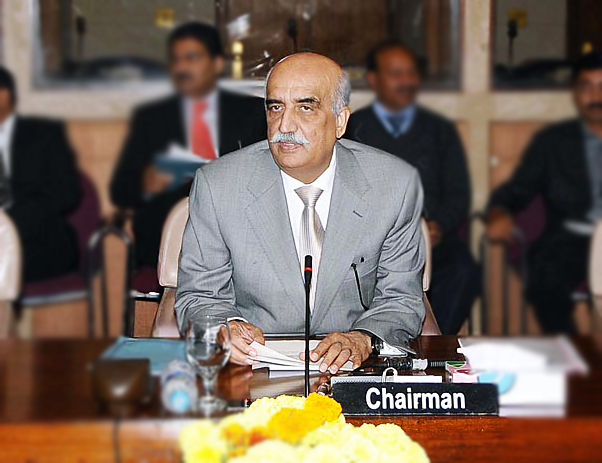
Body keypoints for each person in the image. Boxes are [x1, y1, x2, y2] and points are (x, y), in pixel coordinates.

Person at [176, 52, 426, 374]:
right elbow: (199, 295)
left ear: (340, 121)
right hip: (253, 369)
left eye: (305, 107)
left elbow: (400, 300)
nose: (284, 125)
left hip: (354, 373)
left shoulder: (393, 186)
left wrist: (363, 339)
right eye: (275, 107)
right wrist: (228, 328)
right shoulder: (218, 186)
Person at [344, 41, 477, 334]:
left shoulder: (440, 129)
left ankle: (431, 348)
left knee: (464, 270)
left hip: (432, 238)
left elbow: (459, 192)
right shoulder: (352, 128)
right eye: (396, 73)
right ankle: (382, 339)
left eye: (411, 73)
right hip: (374, 241)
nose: (406, 81)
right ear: (374, 80)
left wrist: (439, 225)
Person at [110, 22, 266, 268]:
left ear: (216, 64)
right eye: (176, 60)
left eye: (191, 58)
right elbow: (120, 190)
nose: (181, 67)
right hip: (170, 235)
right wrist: (146, 182)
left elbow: (271, 178)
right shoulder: (151, 117)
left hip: (237, 231)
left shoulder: (253, 113)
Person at [487, 52, 602, 334]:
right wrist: (500, 212)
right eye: (586, 87)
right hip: (573, 238)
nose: (595, 95)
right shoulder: (554, 142)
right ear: (575, 94)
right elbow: (517, 189)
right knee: (546, 280)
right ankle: (574, 362)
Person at [0, 66, 81, 283]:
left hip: (38, 241)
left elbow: (67, 191)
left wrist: (12, 221)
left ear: (8, 94)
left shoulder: (43, 132)